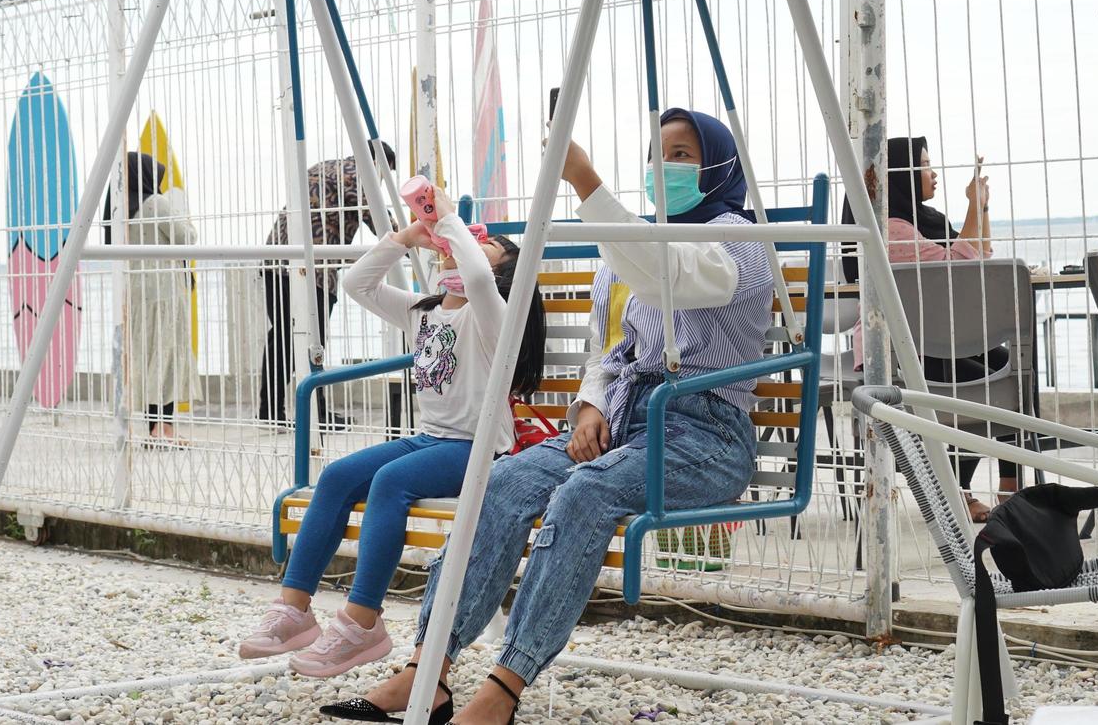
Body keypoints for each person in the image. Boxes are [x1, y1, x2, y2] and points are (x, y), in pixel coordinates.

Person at [326, 109, 772, 725]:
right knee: (504, 479)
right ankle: (428, 669)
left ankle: (504, 689)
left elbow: (677, 280)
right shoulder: (630, 245)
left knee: (585, 493)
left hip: (703, 434)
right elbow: (608, 346)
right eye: (656, 153)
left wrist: (587, 184)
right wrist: (591, 401)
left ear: (719, 166)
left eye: (681, 155)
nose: (662, 166)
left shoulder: (740, 242)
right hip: (623, 418)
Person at [238, 197, 547, 680]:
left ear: (502, 275)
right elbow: (356, 283)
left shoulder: (494, 318)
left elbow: (481, 280)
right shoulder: (423, 312)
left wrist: (446, 216)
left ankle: (363, 624)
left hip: (480, 449)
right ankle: (294, 610)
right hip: (430, 440)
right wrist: (404, 239)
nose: (471, 243)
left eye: (487, 245)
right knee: (338, 476)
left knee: (390, 482)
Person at [869, 135, 1014, 522]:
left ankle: (1010, 483)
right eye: (926, 167)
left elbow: (979, 253)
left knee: (1008, 368)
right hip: (908, 349)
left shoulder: (925, 221)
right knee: (984, 392)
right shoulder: (891, 229)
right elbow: (958, 265)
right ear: (902, 175)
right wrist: (972, 206)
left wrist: (981, 208)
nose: (934, 175)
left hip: (942, 338)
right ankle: (958, 491)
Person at [260, 141, 399, 427]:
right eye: (384, 174)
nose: (381, 182)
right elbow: (376, 217)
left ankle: (270, 410)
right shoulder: (357, 173)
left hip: (276, 260)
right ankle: (316, 414)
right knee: (313, 341)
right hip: (312, 270)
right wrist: (405, 239)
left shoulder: (326, 168)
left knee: (282, 339)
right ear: (378, 164)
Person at [111, 153, 201, 445]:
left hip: (136, 295)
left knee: (150, 357)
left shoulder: (121, 210)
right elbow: (186, 237)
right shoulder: (156, 204)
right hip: (165, 293)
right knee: (168, 358)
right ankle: (163, 429)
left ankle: (154, 427)